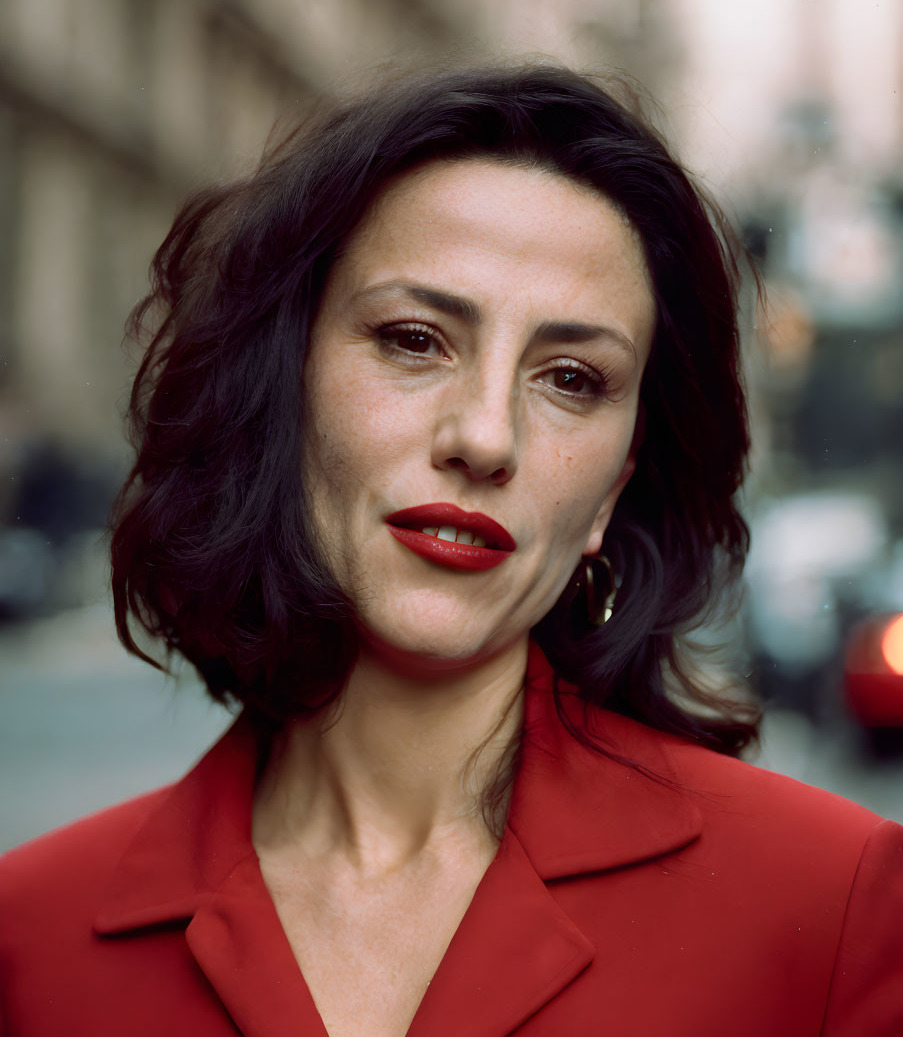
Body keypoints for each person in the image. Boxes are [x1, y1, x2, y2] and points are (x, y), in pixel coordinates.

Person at [0, 64, 900, 1037]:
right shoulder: (31, 941)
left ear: (616, 485)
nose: (485, 436)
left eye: (570, 378)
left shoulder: (831, 907)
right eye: (416, 339)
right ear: (284, 388)